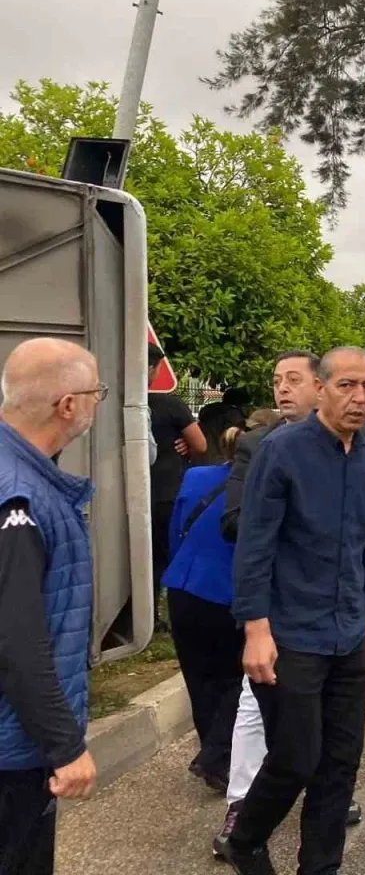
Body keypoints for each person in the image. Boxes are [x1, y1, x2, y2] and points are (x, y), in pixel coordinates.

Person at [213, 351, 365, 861]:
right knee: (297, 758)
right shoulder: (281, 451)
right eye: (347, 385)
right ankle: (244, 842)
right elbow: (254, 545)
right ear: (321, 389)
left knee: (341, 763)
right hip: (291, 632)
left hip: (348, 631)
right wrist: (255, 629)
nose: (360, 398)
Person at [0, 338, 105, 874]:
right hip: (12, 749)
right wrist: (64, 746)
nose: (97, 402)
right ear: (68, 405)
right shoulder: (20, 498)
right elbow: (17, 641)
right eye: (96, 393)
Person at [162, 426, 244, 794]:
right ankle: (215, 756)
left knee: (199, 679)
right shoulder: (262, 489)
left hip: (182, 585)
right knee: (240, 679)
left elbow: (176, 531)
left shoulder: (196, 476)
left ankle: (214, 755)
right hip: (226, 593)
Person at [148, 343, 207, 619]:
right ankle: (169, 614)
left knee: (143, 559)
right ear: (153, 368)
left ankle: (144, 614)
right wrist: (186, 446)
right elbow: (201, 445)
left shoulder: (113, 402)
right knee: (169, 555)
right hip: (167, 493)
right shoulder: (170, 405)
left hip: (130, 493)